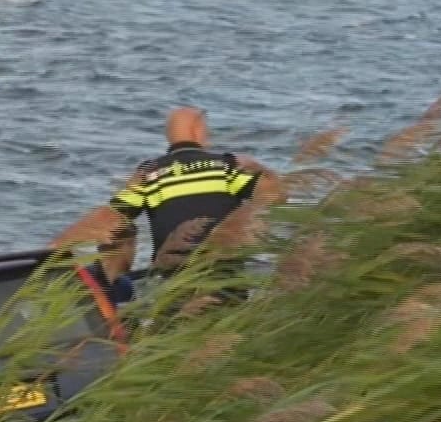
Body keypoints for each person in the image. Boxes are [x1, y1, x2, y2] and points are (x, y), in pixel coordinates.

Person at [53, 107, 281, 306]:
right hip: (224, 271)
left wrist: (59, 245)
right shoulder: (225, 166)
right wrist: (262, 169)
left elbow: (113, 218)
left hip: (174, 273)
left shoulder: (149, 173)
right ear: (198, 130)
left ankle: (117, 289)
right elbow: (275, 198)